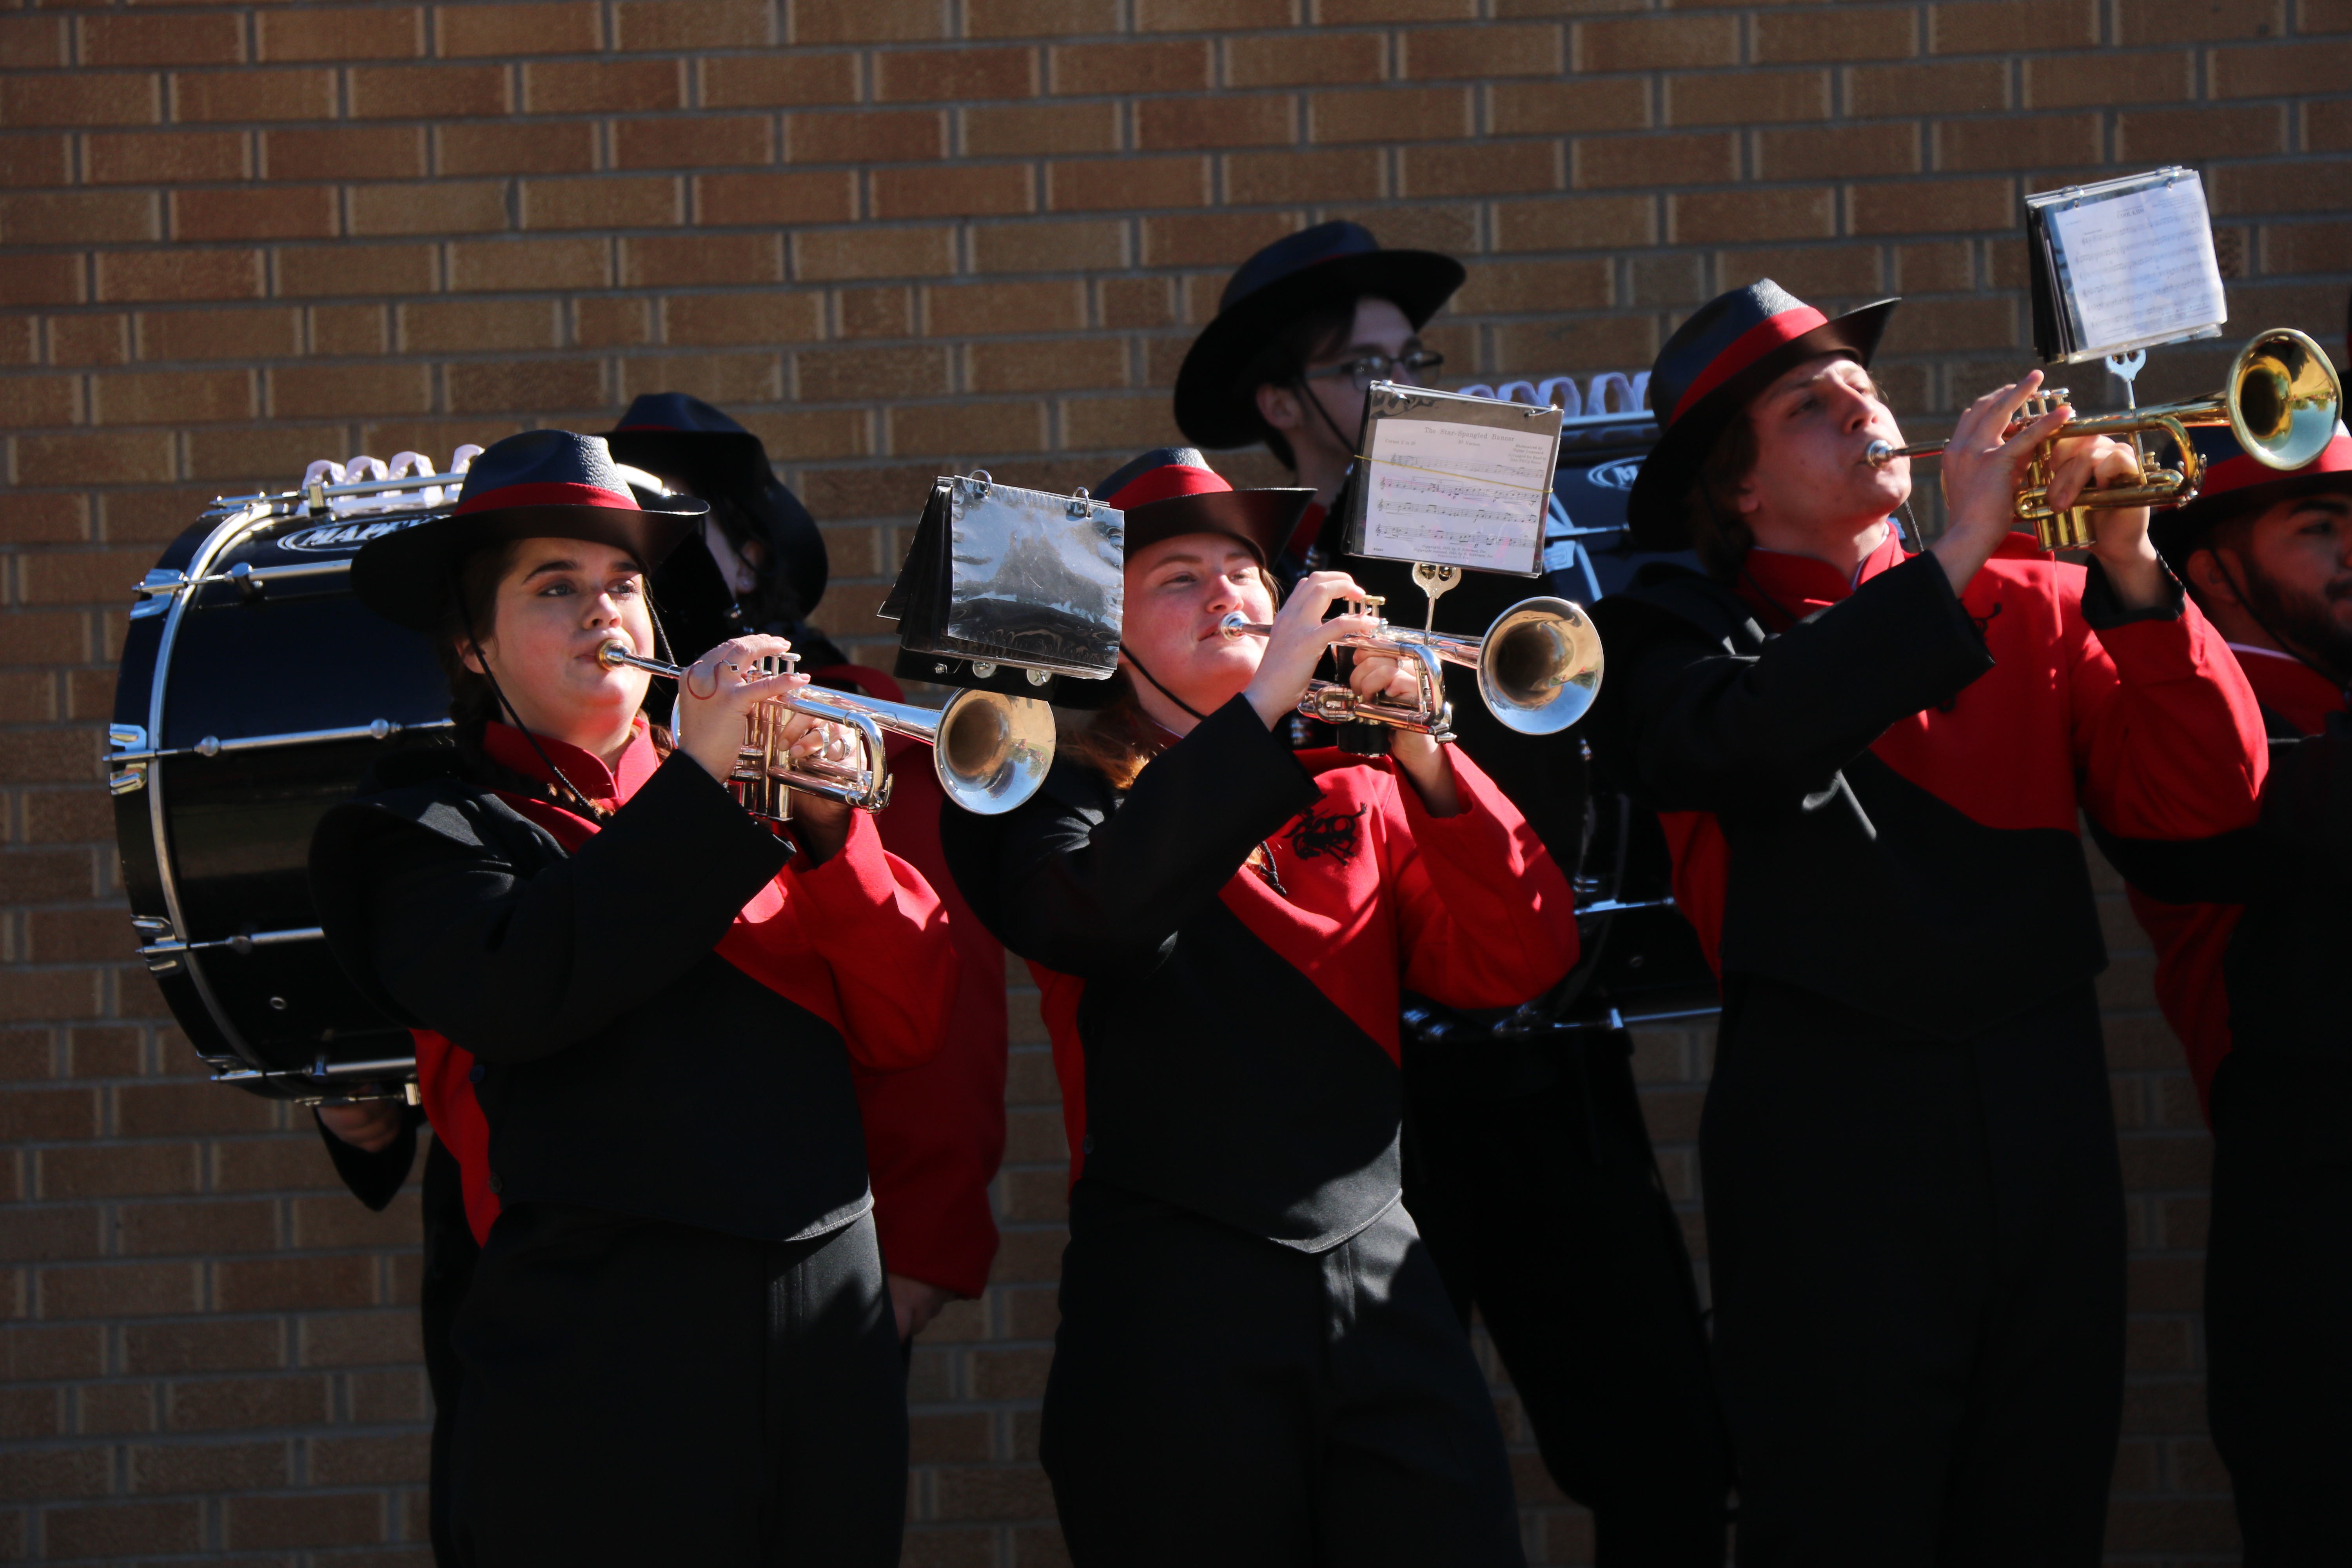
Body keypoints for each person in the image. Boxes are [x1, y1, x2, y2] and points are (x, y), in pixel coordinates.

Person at [1582, 279, 2270, 1565]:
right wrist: (1962, 550)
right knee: (1843, 1520)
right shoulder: (1671, 637)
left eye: (1864, 385)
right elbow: (1741, 740)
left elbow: (2205, 815)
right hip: (1828, 1133)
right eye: (1809, 403)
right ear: (1738, 491)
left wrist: (2128, 561)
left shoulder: (2047, 598)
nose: (1863, 407)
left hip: (2042, 1105)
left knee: (2042, 1507)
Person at [1176, 221, 1732, 1563]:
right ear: (1281, 403)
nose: (1401, 383)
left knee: (1661, 1449)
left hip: (1545, 1066)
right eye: (1366, 365)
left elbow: (1562, 740)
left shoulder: (1481, 533)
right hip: (1376, 1103)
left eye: (1414, 357)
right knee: (1382, 1466)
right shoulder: (1258, 577)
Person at [308, 429, 958, 1566]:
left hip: (827, 1317)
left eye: (623, 585)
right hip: (604, 1334)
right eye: (555, 589)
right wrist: (708, 791)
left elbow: (909, 1022)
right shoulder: (418, 832)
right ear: (471, 644)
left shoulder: (763, 794)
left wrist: (832, 832)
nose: (604, 612)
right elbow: (526, 990)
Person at [939, 449, 1581, 1567]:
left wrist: (1428, 754)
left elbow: (1518, 957)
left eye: (1243, 568)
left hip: (1381, 1273)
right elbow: (1094, 916)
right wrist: (1271, 700)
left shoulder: (1359, 778)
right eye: (1177, 576)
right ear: (1103, 629)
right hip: (1173, 1291)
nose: (1228, 592)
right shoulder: (1047, 785)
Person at [605, 392, 1009, 1338]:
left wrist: (921, 1242)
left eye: (678, 531)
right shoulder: (593, 740)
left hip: (823, 1257)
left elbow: (947, 1024)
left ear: (750, 555)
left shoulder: (861, 737)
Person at [2086, 423, 2352, 1561]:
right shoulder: (2188, 708)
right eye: (2322, 530)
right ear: (2212, 571)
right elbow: (2257, 830)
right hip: (2312, 1203)